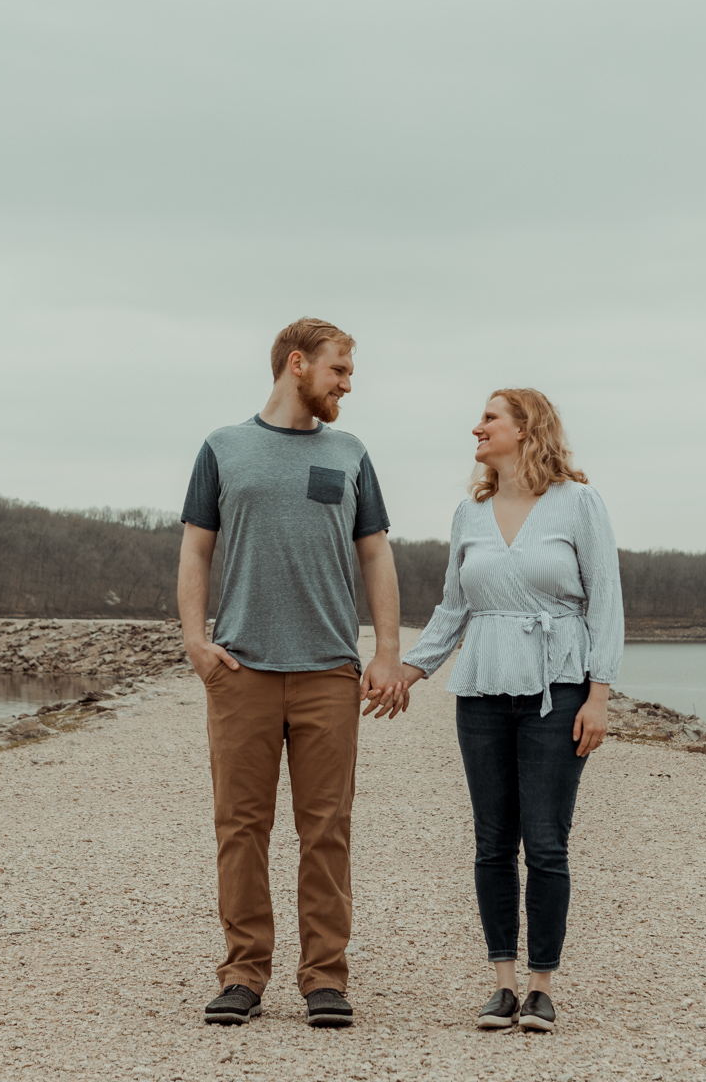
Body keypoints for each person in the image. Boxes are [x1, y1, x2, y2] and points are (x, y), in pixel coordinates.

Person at [177, 317, 412, 1028]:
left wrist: (387, 651)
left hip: (328, 673)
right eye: (340, 370)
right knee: (240, 828)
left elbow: (375, 555)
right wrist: (195, 641)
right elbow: (195, 552)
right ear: (298, 364)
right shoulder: (223, 448)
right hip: (242, 669)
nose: (348, 385)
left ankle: (325, 979)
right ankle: (243, 974)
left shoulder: (351, 453)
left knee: (327, 830)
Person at [396, 388, 623, 1033]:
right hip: (482, 692)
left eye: (490, 418)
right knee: (494, 842)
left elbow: (605, 601)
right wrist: (411, 671)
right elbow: (453, 606)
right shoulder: (470, 515)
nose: (477, 428)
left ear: (527, 430)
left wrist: (599, 695)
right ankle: (501, 984)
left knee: (546, 842)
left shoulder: (579, 504)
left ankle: (542, 986)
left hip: (559, 691)